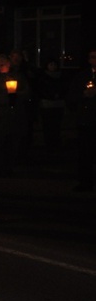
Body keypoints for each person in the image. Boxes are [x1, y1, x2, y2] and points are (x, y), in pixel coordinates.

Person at [0, 53, 32, 178]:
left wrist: (16, 97)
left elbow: (26, 91)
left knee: (13, 140)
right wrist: (5, 99)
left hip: (15, 114)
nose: (0, 67)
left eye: (2, 64)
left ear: (8, 64)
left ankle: (10, 166)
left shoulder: (18, 76)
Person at [66, 47, 96, 192]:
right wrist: (84, 94)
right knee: (85, 152)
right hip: (86, 119)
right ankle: (85, 182)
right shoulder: (82, 76)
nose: (94, 60)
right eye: (92, 57)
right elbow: (71, 96)